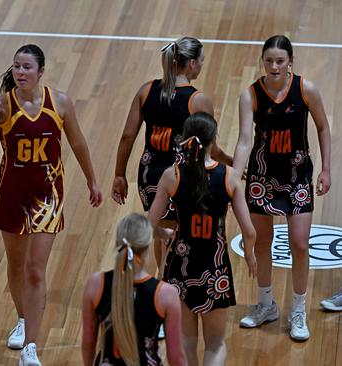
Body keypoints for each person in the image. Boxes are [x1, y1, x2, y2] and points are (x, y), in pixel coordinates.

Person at [0, 44, 102, 366]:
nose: (20, 72)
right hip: (12, 195)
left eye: (27, 67)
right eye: (16, 66)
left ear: (41, 71)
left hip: (48, 196)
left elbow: (78, 141)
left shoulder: (60, 102)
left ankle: (31, 346)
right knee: (15, 264)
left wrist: (92, 180)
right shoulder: (3, 105)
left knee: (34, 269)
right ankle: (21, 317)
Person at [233, 35, 331, 341]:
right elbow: (245, 140)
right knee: (262, 243)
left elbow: (323, 128)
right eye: (269, 60)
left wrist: (326, 168)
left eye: (280, 60)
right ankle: (266, 305)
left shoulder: (306, 90)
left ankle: (298, 309)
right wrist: (234, 178)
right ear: (262, 61)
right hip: (261, 178)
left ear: (290, 62)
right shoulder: (250, 95)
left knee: (300, 244)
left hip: (297, 176)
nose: (274, 66)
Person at [112, 36, 232, 284]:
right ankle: (168, 293)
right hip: (180, 176)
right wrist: (230, 162)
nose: (201, 66)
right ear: (190, 64)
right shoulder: (197, 100)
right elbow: (211, 147)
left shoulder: (146, 90)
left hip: (148, 175)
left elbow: (127, 136)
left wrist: (119, 174)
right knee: (177, 236)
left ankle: (165, 285)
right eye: (200, 61)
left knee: (163, 235)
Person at [149, 112, 257, 365]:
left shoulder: (171, 175)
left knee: (186, 339)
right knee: (216, 343)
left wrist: (164, 233)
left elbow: (146, 226)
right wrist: (250, 254)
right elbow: (249, 231)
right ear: (213, 140)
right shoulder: (229, 177)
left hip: (180, 267)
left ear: (185, 139)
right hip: (214, 268)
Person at [81, 213, 186, 366]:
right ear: (148, 245)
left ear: (118, 243)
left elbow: (88, 343)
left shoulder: (96, 284)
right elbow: (177, 358)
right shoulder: (166, 294)